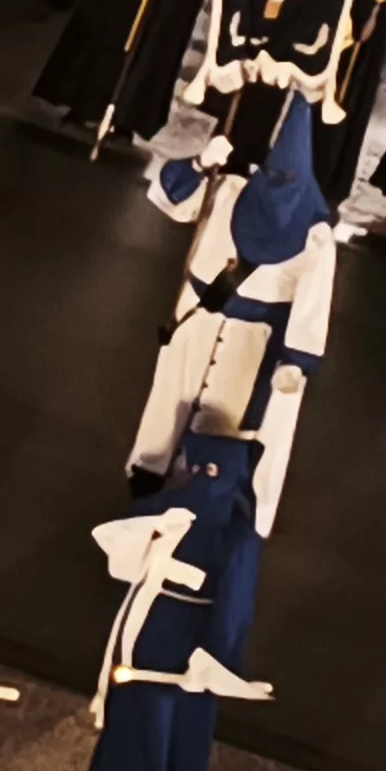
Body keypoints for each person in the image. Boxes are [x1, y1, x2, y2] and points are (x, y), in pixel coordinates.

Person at [126, 104, 331, 536]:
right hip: (197, 321)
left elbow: (313, 307)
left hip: (252, 345)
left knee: (224, 425)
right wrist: (200, 163)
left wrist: (295, 364)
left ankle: (205, 506)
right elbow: (168, 197)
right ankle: (146, 484)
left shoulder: (314, 234)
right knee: (170, 406)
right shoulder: (231, 192)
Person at [59, 434, 266, 771]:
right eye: (198, 470)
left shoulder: (237, 536)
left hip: (180, 641)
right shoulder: (174, 506)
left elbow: (234, 607)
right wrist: (150, 530)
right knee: (121, 714)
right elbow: (122, 544)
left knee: (150, 725)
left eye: (213, 473)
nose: (201, 481)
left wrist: (212, 660)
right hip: (143, 622)